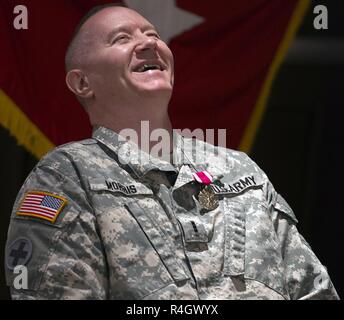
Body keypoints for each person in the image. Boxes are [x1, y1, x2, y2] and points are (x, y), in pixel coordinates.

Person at [5, 4, 339, 300]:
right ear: (82, 83)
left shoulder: (240, 169)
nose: (149, 42)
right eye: (122, 39)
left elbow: (314, 290)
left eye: (152, 34)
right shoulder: (68, 176)